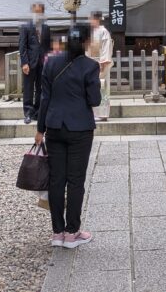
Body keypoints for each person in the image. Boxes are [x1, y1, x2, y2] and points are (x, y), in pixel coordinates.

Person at [35, 23, 100, 249]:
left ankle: (57, 233)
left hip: (53, 126)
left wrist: (39, 129)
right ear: (85, 42)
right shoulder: (90, 66)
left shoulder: (51, 63)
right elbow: (95, 100)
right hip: (80, 128)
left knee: (56, 179)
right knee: (75, 181)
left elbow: (44, 98)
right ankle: (72, 233)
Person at [19, 3, 51, 124]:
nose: (38, 14)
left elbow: (48, 47)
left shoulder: (46, 28)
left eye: (40, 12)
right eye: (35, 12)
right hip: (30, 63)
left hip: (43, 63)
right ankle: (28, 113)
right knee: (28, 88)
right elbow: (22, 46)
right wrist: (24, 63)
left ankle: (38, 112)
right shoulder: (26, 27)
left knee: (40, 88)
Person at [88, 10, 113, 121]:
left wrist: (103, 63)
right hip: (90, 63)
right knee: (91, 88)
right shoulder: (90, 32)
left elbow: (106, 49)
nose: (90, 21)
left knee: (102, 88)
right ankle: (93, 113)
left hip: (101, 64)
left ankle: (102, 113)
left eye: (91, 19)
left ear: (96, 19)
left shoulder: (104, 31)